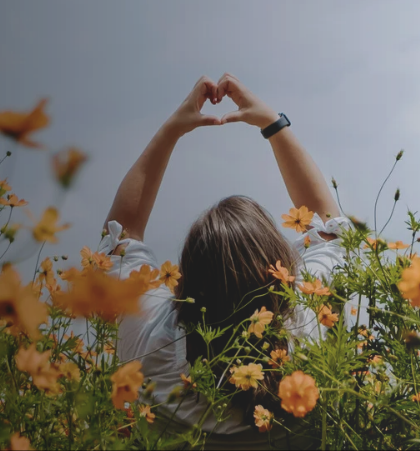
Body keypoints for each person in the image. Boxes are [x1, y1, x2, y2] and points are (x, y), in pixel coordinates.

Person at [99, 73, 352, 450]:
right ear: (281, 273)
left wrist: (172, 130)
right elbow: (329, 225)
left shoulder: (151, 345)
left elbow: (120, 238)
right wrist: (272, 122)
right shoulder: (311, 324)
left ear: (186, 283)